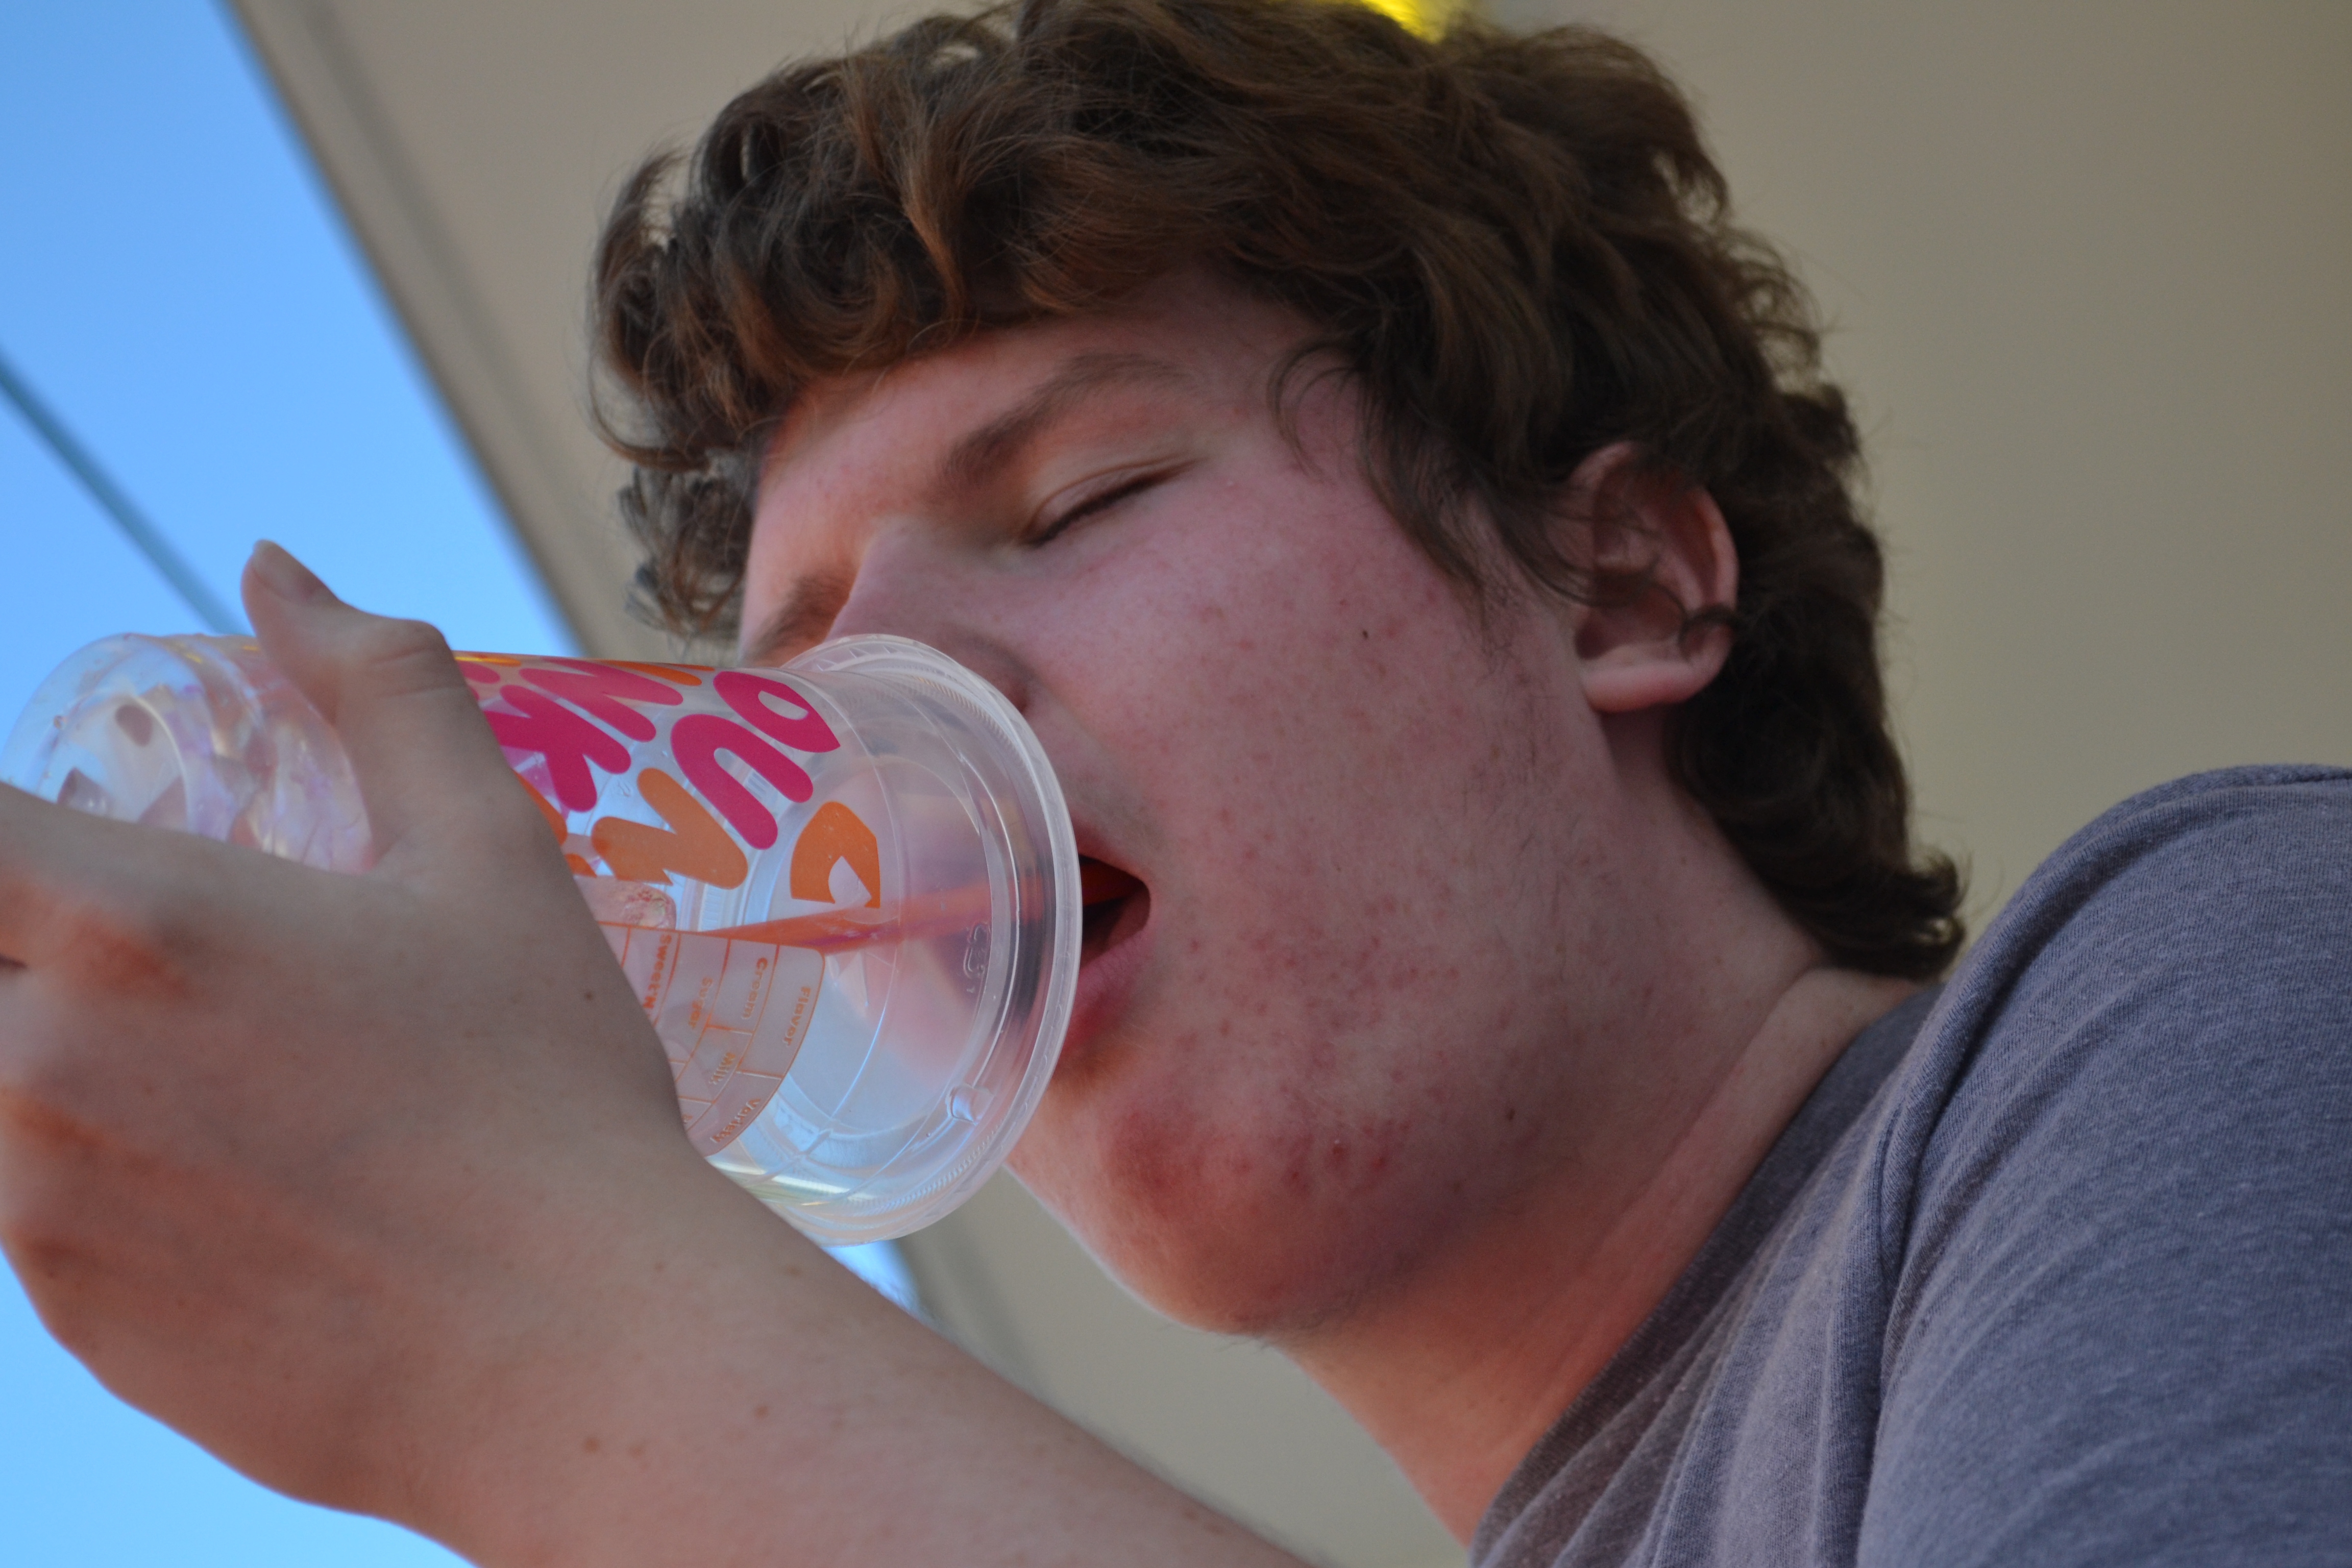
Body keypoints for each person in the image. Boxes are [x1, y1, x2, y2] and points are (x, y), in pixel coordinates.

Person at [1, 2, 2344, 1564]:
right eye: (803, 680)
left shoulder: (2212, 995)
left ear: (1619, 581)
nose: (884, 716)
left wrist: (548, 1319)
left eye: (1081, 498)